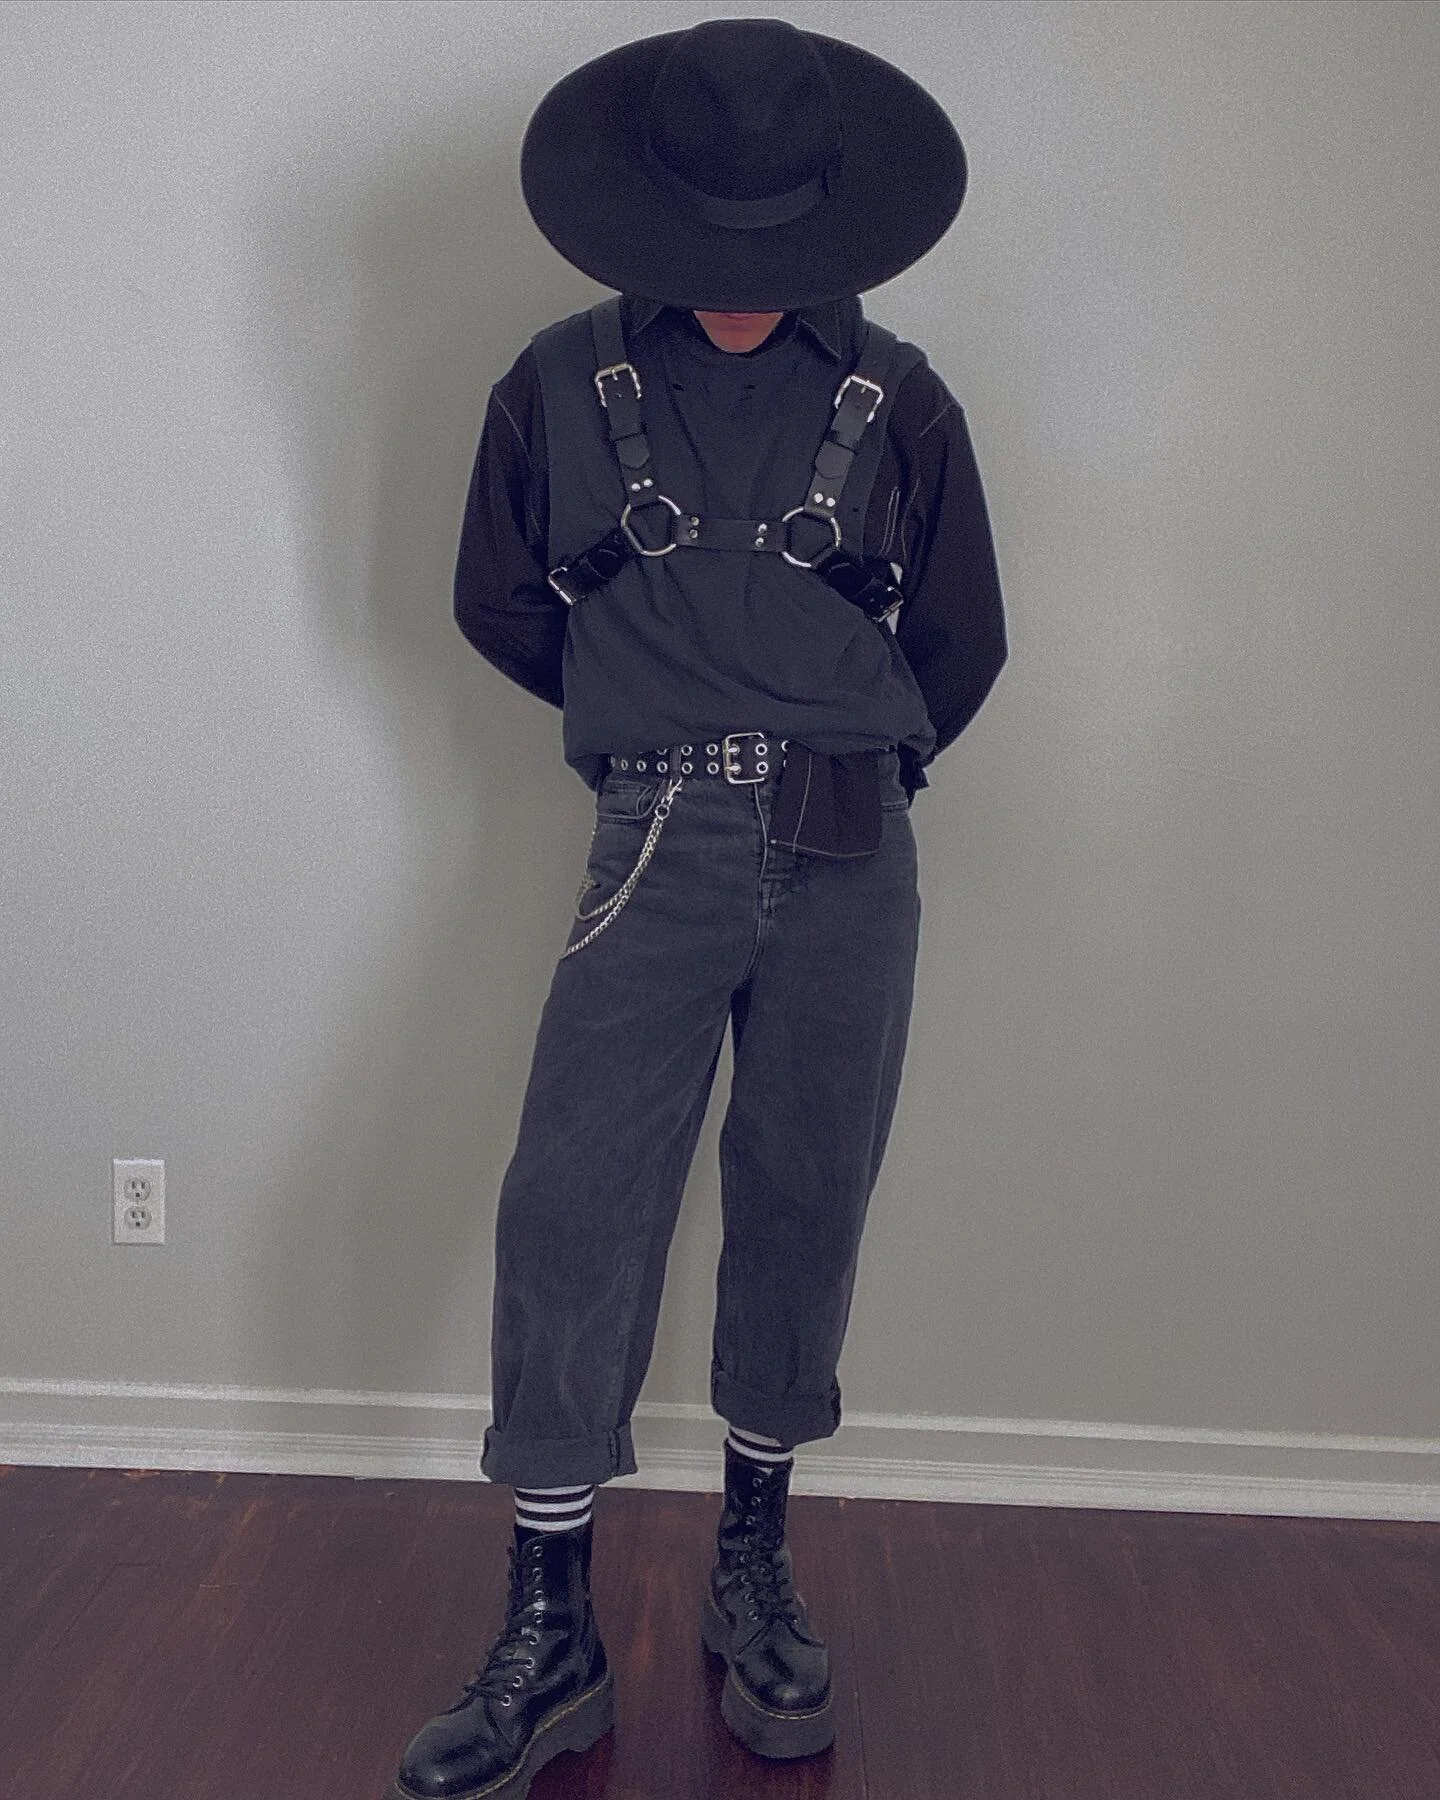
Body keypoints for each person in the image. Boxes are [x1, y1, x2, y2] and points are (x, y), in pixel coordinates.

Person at [388, 17, 1006, 1800]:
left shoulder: (905, 398)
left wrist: (828, 746)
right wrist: (659, 712)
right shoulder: (553, 383)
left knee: (806, 1194)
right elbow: (500, 603)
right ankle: (550, 1626)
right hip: (654, 837)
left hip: (851, 847)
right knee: (571, 1208)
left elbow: (960, 642)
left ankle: (755, 1566)